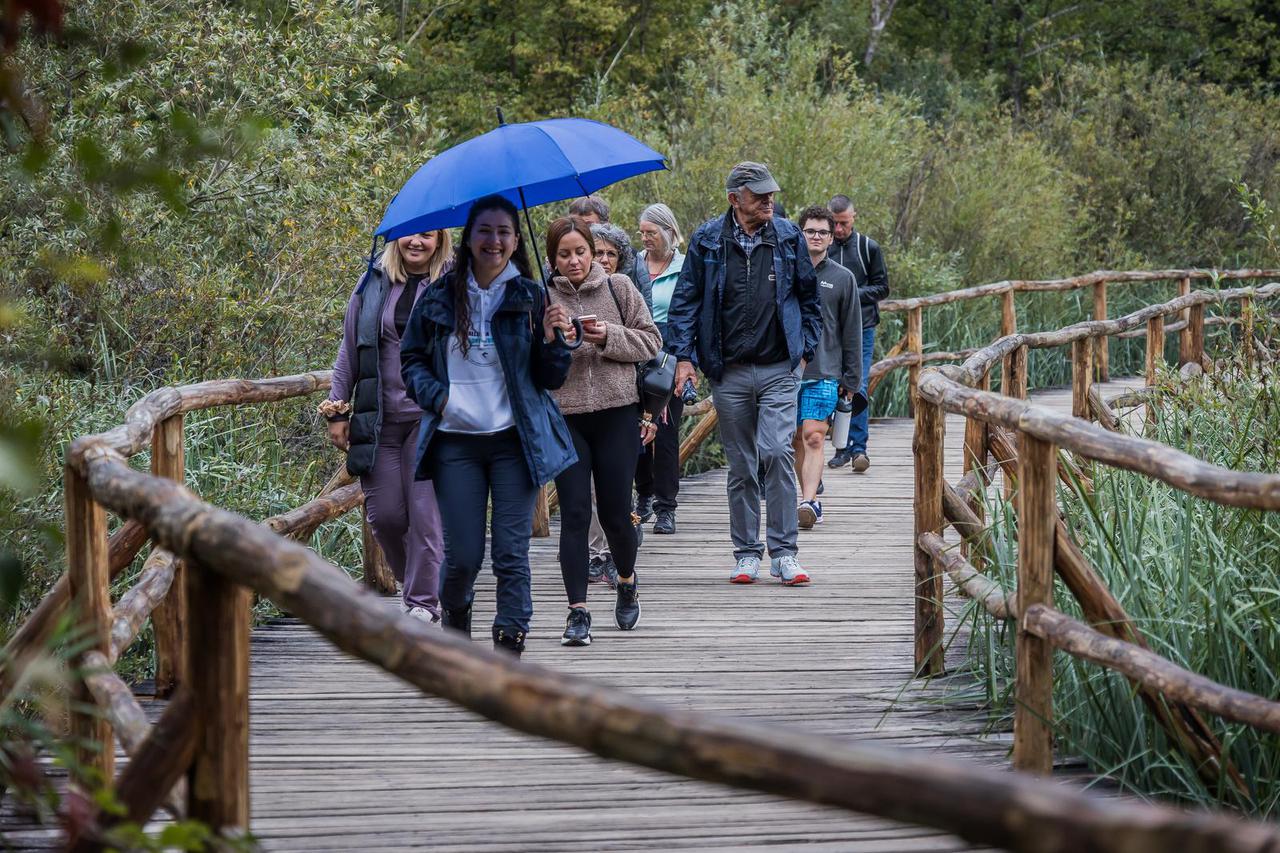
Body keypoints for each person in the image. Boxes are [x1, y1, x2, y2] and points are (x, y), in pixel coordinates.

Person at [399, 194, 578, 658]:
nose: (494, 241)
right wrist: (442, 399)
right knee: (462, 558)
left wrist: (555, 339)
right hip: (455, 442)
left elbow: (550, 378)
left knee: (510, 553)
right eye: (485, 231)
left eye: (503, 232)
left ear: (516, 240)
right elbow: (412, 360)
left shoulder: (533, 296)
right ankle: (456, 628)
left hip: (513, 441)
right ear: (469, 237)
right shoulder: (439, 295)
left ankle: (508, 647)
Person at [666, 162, 822, 586]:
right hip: (728, 370)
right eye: (759, 195)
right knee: (741, 465)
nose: (769, 200)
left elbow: (810, 300)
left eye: (771, 193)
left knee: (776, 452)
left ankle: (785, 552)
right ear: (735, 198)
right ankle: (747, 553)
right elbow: (685, 302)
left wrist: (804, 351)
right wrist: (684, 357)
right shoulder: (707, 240)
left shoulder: (788, 236)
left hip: (778, 368)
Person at [323, 229, 452, 625]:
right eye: (411, 234)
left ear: (440, 241)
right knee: (385, 516)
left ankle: (423, 605)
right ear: (396, 239)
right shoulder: (372, 281)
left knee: (425, 515)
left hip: (432, 417)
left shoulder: (454, 284)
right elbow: (349, 349)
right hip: (378, 418)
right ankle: (415, 589)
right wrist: (337, 409)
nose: (418, 241)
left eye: (428, 235)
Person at [546, 216, 662, 646]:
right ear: (552, 259)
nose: (573, 261)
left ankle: (627, 580)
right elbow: (532, 363)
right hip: (566, 417)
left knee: (615, 514)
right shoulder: (545, 297)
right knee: (574, 514)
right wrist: (548, 334)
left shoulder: (620, 289)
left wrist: (606, 336)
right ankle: (578, 612)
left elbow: (651, 342)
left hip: (617, 414)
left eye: (580, 251)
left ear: (593, 253)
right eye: (564, 254)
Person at [792, 205, 863, 529]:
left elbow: (852, 331)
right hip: (788, 371)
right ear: (800, 233)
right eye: (811, 231)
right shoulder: (787, 271)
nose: (817, 236)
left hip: (826, 371)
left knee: (814, 437)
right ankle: (811, 490)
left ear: (832, 237)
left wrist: (852, 378)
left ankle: (807, 501)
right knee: (793, 440)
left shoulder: (843, 278)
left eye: (823, 231)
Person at [631, 203, 686, 535]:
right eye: (642, 233)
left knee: (665, 432)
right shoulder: (634, 264)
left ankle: (667, 506)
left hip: (670, 356)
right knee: (635, 431)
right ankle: (644, 494)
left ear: (669, 231)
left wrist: (685, 362)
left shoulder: (684, 267)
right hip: (637, 352)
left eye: (651, 232)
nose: (646, 238)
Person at [825, 194, 889, 473]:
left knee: (857, 385)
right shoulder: (821, 247)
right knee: (832, 387)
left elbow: (882, 288)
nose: (839, 230)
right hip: (830, 331)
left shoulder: (867, 248)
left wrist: (849, 293)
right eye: (835, 224)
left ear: (854, 218)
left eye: (844, 224)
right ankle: (841, 448)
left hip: (862, 327)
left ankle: (859, 448)